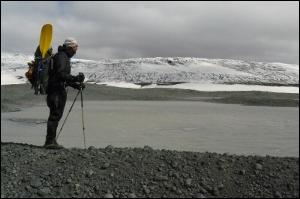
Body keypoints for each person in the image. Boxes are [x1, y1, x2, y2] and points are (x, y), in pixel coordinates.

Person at [44, 37, 85, 149]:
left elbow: (62, 78)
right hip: (56, 91)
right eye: (75, 48)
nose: (76, 51)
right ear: (70, 47)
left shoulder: (62, 56)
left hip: (56, 90)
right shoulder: (62, 57)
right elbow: (60, 74)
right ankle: (50, 142)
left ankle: (51, 141)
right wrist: (76, 78)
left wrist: (75, 85)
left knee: (56, 115)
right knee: (55, 115)